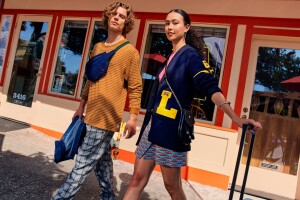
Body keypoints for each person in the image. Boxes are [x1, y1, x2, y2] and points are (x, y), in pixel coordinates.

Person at [123, 9, 262, 200]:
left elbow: (210, 87)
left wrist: (236, 118)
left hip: (171, 131)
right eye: (167, 23)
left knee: (172, 187)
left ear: (186, 27)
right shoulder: (169, 58)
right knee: (136, 181)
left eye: (175, 23)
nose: (170, 27)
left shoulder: (191, 56)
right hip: (152, 127)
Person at [52, 2, 142, 200]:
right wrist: (81, 106)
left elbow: (135, 87)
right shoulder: (98, 47)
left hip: (106, 117)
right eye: (114, 14)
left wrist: (133, 118)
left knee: (82, 163)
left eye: (122, 16)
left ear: (126, 23)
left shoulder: (129, 52)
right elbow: (89, 80)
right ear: (108, 17)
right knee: (102, 163)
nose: (117, 17)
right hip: (90, 113)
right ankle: (109, 196)